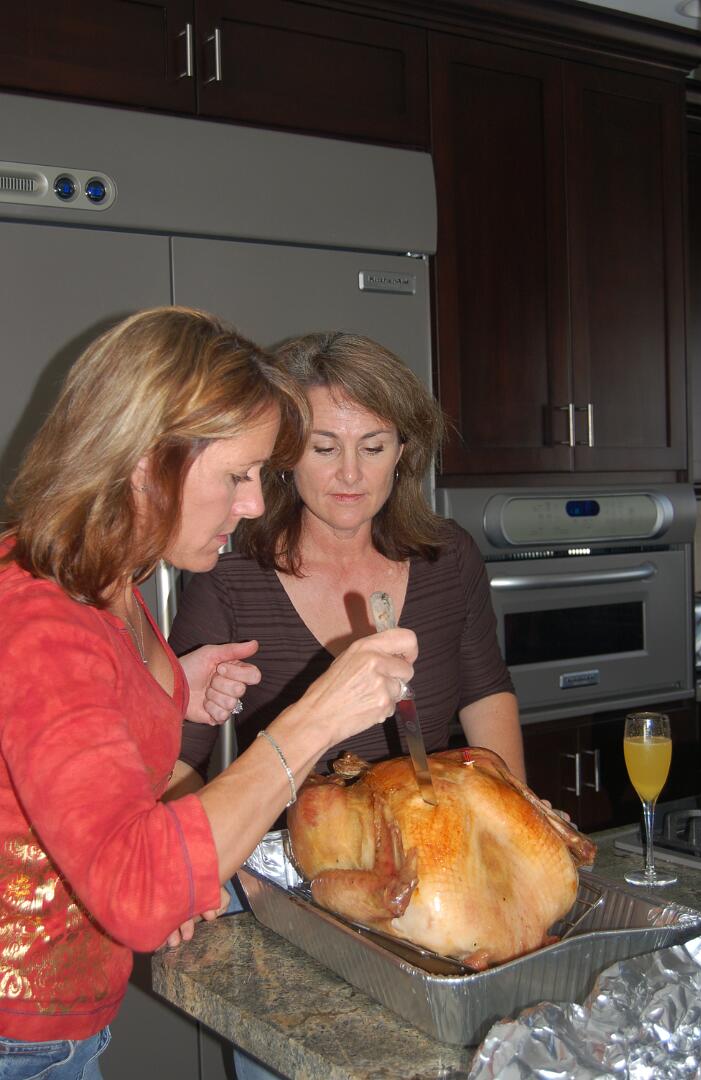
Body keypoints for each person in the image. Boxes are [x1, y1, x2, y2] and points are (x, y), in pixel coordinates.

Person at [0, 309, 416, 1077]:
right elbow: (139, 892)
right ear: (144, 461)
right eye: (237, 475)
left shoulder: (106, 579)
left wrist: (167, 691)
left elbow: (86, 750)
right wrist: (315, 720)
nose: (254, 502)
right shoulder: (42, 620)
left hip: (62, 1020)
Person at [169, 330, 524, 793]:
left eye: (373, 448)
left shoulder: (449, 557)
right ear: (285, 453)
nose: (351, 474)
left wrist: (516, 812)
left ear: (401, 453)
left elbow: (486, 695)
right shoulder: (227, 585)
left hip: (428, 830)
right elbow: (179, 761)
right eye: (324, 448)